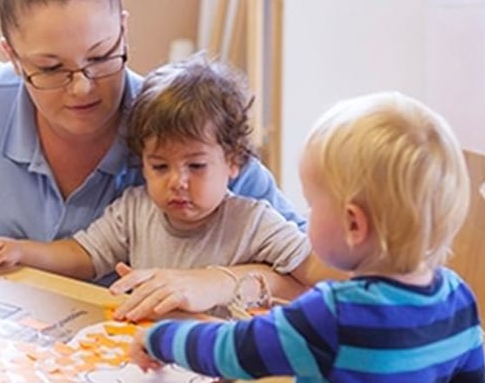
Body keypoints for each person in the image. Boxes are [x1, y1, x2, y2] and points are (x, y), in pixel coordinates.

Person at [0, 0, 305, 270]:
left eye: (102, 56)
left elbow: (320, 270)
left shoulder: (186, 129)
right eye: (50, 68)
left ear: (123, 29)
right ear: (13, 57)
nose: (82, 88)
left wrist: (219, 282)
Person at [130, 92, 485, 382]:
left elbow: (233, 350)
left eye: (313, 204)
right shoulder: (456, 297)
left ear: (353, 225)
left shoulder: (332, 313)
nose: (306, 215)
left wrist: (159, 338)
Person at [0, 55, 319, 321]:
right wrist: (22, 251)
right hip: (150, 355)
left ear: (234, 162)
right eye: (159, 166)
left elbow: (317, 271)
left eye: (196, 166)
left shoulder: (255, 220)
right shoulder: (136, 209)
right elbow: (84, 254)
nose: (177, 182)